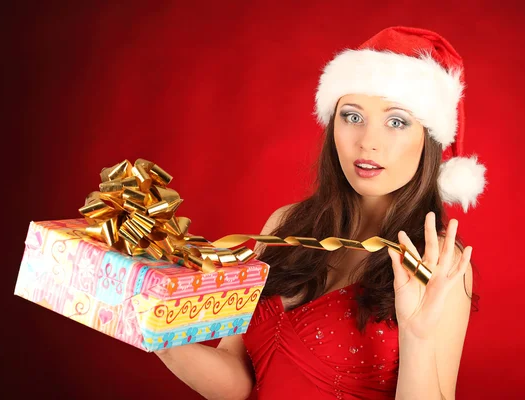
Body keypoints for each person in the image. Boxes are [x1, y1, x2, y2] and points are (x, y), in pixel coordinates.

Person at [155, 26, 486, 400]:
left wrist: (418, 337)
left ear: (429, 139)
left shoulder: (438, 263)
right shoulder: (284, 225)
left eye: (396, 121)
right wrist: (159, 333)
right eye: (352, 116)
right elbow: (241, 383)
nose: (368, 142)